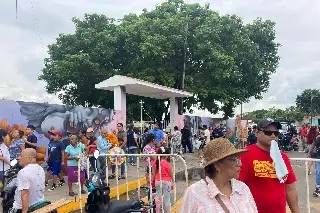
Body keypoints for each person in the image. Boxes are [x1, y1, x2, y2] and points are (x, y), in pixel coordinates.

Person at [180, 138, 257, 213]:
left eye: (239, 159)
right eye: (233, 160)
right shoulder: (195, 193)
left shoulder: (242, 189)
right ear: (217, 165)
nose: (240, 164)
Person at [239, 119, 299, 213]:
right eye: (268, 132)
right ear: (256, 133)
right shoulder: (245, 155)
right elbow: (236, 187)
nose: (273, 135)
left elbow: (290, 189)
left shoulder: (283, 157)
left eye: (276, 133)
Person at [12, 148, 45, 213]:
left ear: (29, 158)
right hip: (38, 204)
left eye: (21, 156)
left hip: (22, 208)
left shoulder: (23, 172)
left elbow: (25, 194)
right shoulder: (40, 169)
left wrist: (24, 212)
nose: (18, 158)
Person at [152, 146, 173, 213]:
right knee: (167, 198)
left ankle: (158, 211)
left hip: (157, 181)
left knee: (158, 197)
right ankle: (167, 211)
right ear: (167, 155)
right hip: (166, 182)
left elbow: (154, 174)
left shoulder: (155, 163)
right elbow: (171, 174)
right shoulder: (167, 163)